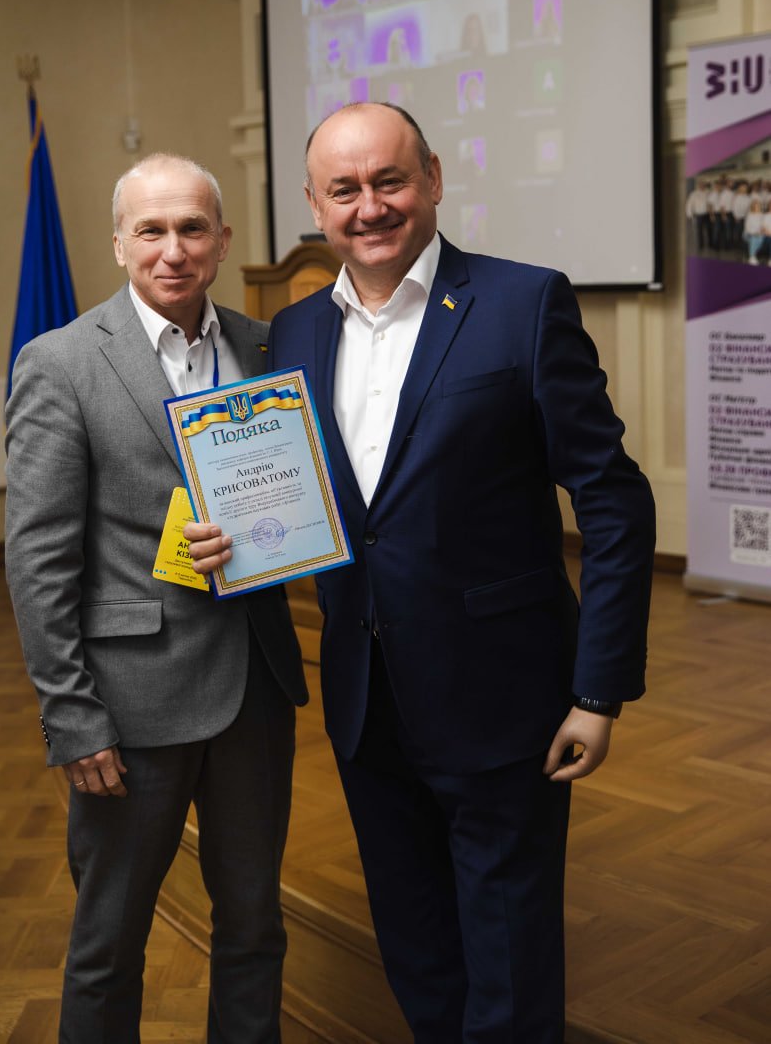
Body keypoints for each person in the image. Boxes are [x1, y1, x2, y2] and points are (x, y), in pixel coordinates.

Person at [187, 103, 655, 1043]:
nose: (369, 207)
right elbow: (308, 500)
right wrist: (234, 539)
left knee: (509, 956)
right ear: (315, 205)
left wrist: (597, 691)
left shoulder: (523, 303)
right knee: (413, 943)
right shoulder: (293, 333)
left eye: (389, 181)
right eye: (344, 189)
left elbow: (613, 501)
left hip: (504, 699)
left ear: (432, 179)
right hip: (365, 703)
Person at [5, 153, 308, 1044]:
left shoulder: (269, 348)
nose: (172, 250)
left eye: (191, 229)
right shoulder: (60, 363)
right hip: (129, 705)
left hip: (255, 688)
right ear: (119, 243)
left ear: (220, 240)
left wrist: (273, 535)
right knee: (109, 943)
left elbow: (299, 497)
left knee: (254, 927)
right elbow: (38, 557)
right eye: (151, 230)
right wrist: (71, 716)